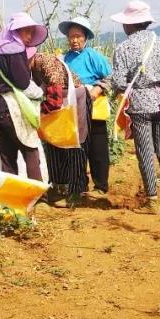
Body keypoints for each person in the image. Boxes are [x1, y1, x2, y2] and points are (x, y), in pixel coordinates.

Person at [111, 0, 160, 214]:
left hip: (139, 104)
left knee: (145, 152)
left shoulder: (123, 48)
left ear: (130, 25)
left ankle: (151, 200)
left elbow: (119, 82)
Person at [0, 12, 47, 181]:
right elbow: (23, 84)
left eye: (31, 33)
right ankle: (38, 195)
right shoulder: (15, 51)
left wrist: (2, 83)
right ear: (16, 32)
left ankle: (11, 199)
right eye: (26, 32)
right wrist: (41, 92)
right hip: (12, 108)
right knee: (30, 149)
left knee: (7, 155)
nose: (29, 36)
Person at [58, 17, 113, 201]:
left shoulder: (93, 56)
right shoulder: (65, 58)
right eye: (71, 37)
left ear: (86, 37)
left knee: (97, 148)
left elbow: (111, 77)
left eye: (78, 36)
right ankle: (80, 184)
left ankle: (100, 186)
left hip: (93, 106)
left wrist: (97, 89)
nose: (74, 40)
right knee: (76, 148)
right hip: (73, 108)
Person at [30, 52, 90, 207]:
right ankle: (59, 187)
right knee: (53, 142)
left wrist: (40, 111)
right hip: (58, 102)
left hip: (73, 99)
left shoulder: (45, 62)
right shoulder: (32, 67)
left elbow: (55, 98)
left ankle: (75, 192)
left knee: (74, 143)